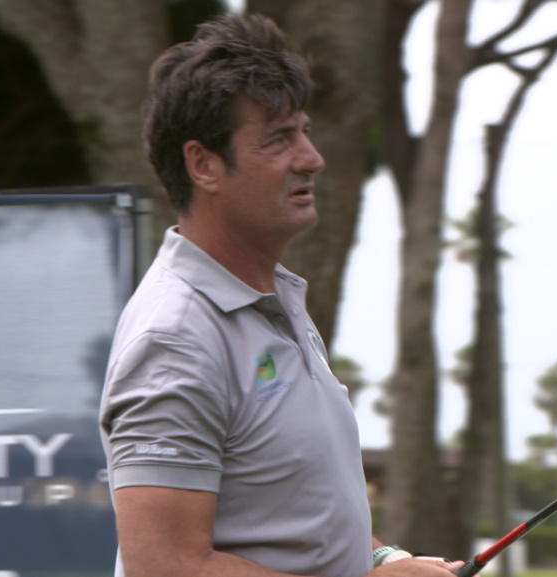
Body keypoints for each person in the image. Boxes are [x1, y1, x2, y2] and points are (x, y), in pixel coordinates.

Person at [99, 13, 459, 577]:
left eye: (305, 131)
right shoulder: (175, 337)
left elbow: (303, 514)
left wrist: (385, 558)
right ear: (203, 164)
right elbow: (165, 566)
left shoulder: (275, 303)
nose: (312, 158)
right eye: (279, 139)